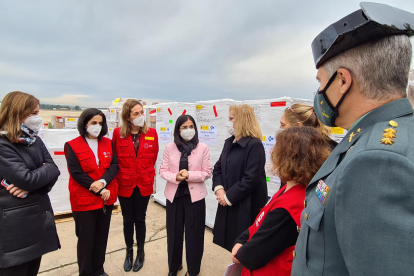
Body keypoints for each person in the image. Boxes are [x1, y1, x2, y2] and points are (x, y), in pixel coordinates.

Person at [291, 3, 414, 276]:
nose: (320, 92)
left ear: (343, 81)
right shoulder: (385, 137)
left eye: (321, 82)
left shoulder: (376, 161)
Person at [232, 127, 331, 276]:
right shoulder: (292, 189)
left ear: (288, 156)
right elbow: (262, 220)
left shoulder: (291, 204)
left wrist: (240, 252)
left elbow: (253, 255)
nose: (272, 153)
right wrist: (242, 239)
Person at [0, 91, 61, 276]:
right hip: (15, 227)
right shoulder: (3, 143)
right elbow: (26, 179)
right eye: (32, 113)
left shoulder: (33, 139)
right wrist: (37, 177)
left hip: (36, 219)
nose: (37, 118)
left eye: (38, 112)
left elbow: (54, 169)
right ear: (17, 113)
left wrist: (34, 181)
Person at [65, 108, 119, 276]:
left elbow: (114, 166)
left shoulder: (107, 143)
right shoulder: (72, 145)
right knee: (86, 241)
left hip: (105, 199)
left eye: (100, 123)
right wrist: (98, 188)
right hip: (84, 200)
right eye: (93, 123)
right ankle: (86, 272)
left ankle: (98, 270)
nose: (97, 126)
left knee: (101, 238)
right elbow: (76, 173)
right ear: (85, 123)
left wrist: (103, 183)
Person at [160, 115, 212, 276]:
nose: (188, 130)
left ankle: (193, 270)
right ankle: (174, 267)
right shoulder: (170, 147)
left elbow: (207, 172)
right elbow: (163, 170)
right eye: (184, 127)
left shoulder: (202, 147)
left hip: (194, 199)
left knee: (194, 235)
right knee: (174, 234)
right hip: (174, 197)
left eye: (191, 126)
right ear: (178, 130)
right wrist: (175, 177)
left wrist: (189, 174)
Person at [212, 104, 268, 252]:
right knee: (231, 245)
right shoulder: (229, 142)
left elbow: (251, 178)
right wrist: (219, 190)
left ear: (242, 120)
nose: (228, 122)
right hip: (228, 202)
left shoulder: (254, 145)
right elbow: (218, 167)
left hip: (244, 206)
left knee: (244, 247)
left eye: (231, 118)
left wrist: (227, 197)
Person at [112, 99, 159, 272]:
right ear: (128, 117)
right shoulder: (118, 133)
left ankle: (141, 252)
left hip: (143, 183)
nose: (141, 116)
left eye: (141, 112)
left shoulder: (152, 133)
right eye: (136, 113)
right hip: (125, 183)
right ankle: (129, 252)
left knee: (140, 219)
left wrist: (143, 173)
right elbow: (115, 158)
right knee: (127, 220)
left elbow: (152, 157)